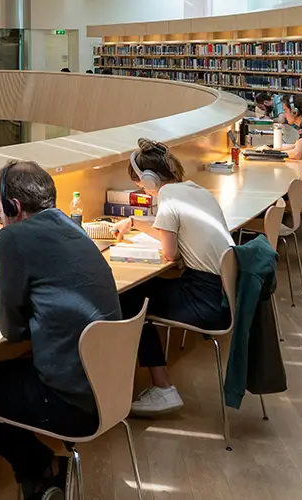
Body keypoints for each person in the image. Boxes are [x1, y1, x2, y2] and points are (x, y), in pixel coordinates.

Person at [0, 160, 121, 500]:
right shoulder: (72, 226)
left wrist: (4, 260)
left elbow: (10, 329)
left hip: (71, 404)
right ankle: (39, 470)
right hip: (108, 390)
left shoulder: (13, 238)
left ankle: (38, 465)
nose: (0, 219)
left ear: (13, 206)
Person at [114, 138, 233, 415]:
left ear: (150, 180)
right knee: (144, 292)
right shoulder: (197, 191)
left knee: (131, 300)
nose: (141, 190)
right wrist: (132, 222)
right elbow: (175, 237)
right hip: (223, 293)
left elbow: (169, 254)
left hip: (203, 299)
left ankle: (162, 388)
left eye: (140, 185)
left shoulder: (168, 197)